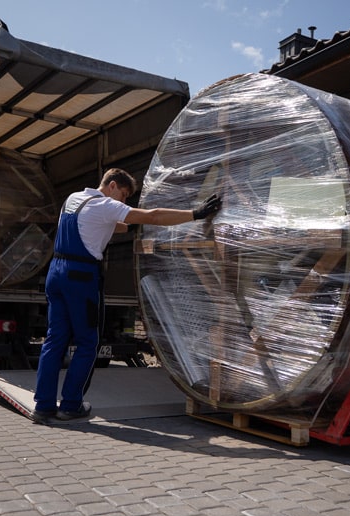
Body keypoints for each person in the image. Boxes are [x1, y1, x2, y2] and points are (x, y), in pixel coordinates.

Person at [32, 168, 221, 423]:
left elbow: (113, 226)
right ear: (111, 186)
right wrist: (195, 214)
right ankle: (71, 404)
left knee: (55, 340)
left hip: (56, 273)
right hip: (81, 278)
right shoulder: (105, 205)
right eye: (122, 196)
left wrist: (132, 225)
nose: (122, 202)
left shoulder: (73, 199)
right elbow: (153, 216)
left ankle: (42, 407)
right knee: (88, 343)